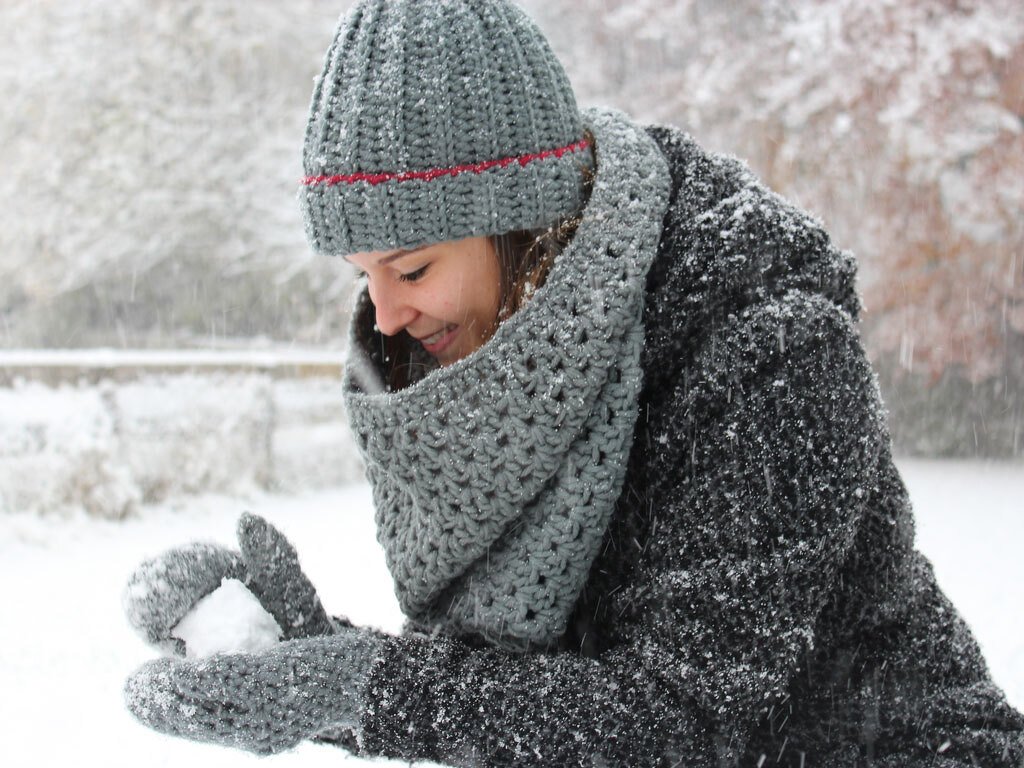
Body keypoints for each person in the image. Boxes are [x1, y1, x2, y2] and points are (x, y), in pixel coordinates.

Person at [121, 1, 1024, 765]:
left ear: (521, 224)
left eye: (414, 267)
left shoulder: (767, 349)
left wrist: (358, 686)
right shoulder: (493, 378)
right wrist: (314, 659)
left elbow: (682, 722)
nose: (385, 316)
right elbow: (510, 696)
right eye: (365, 278)